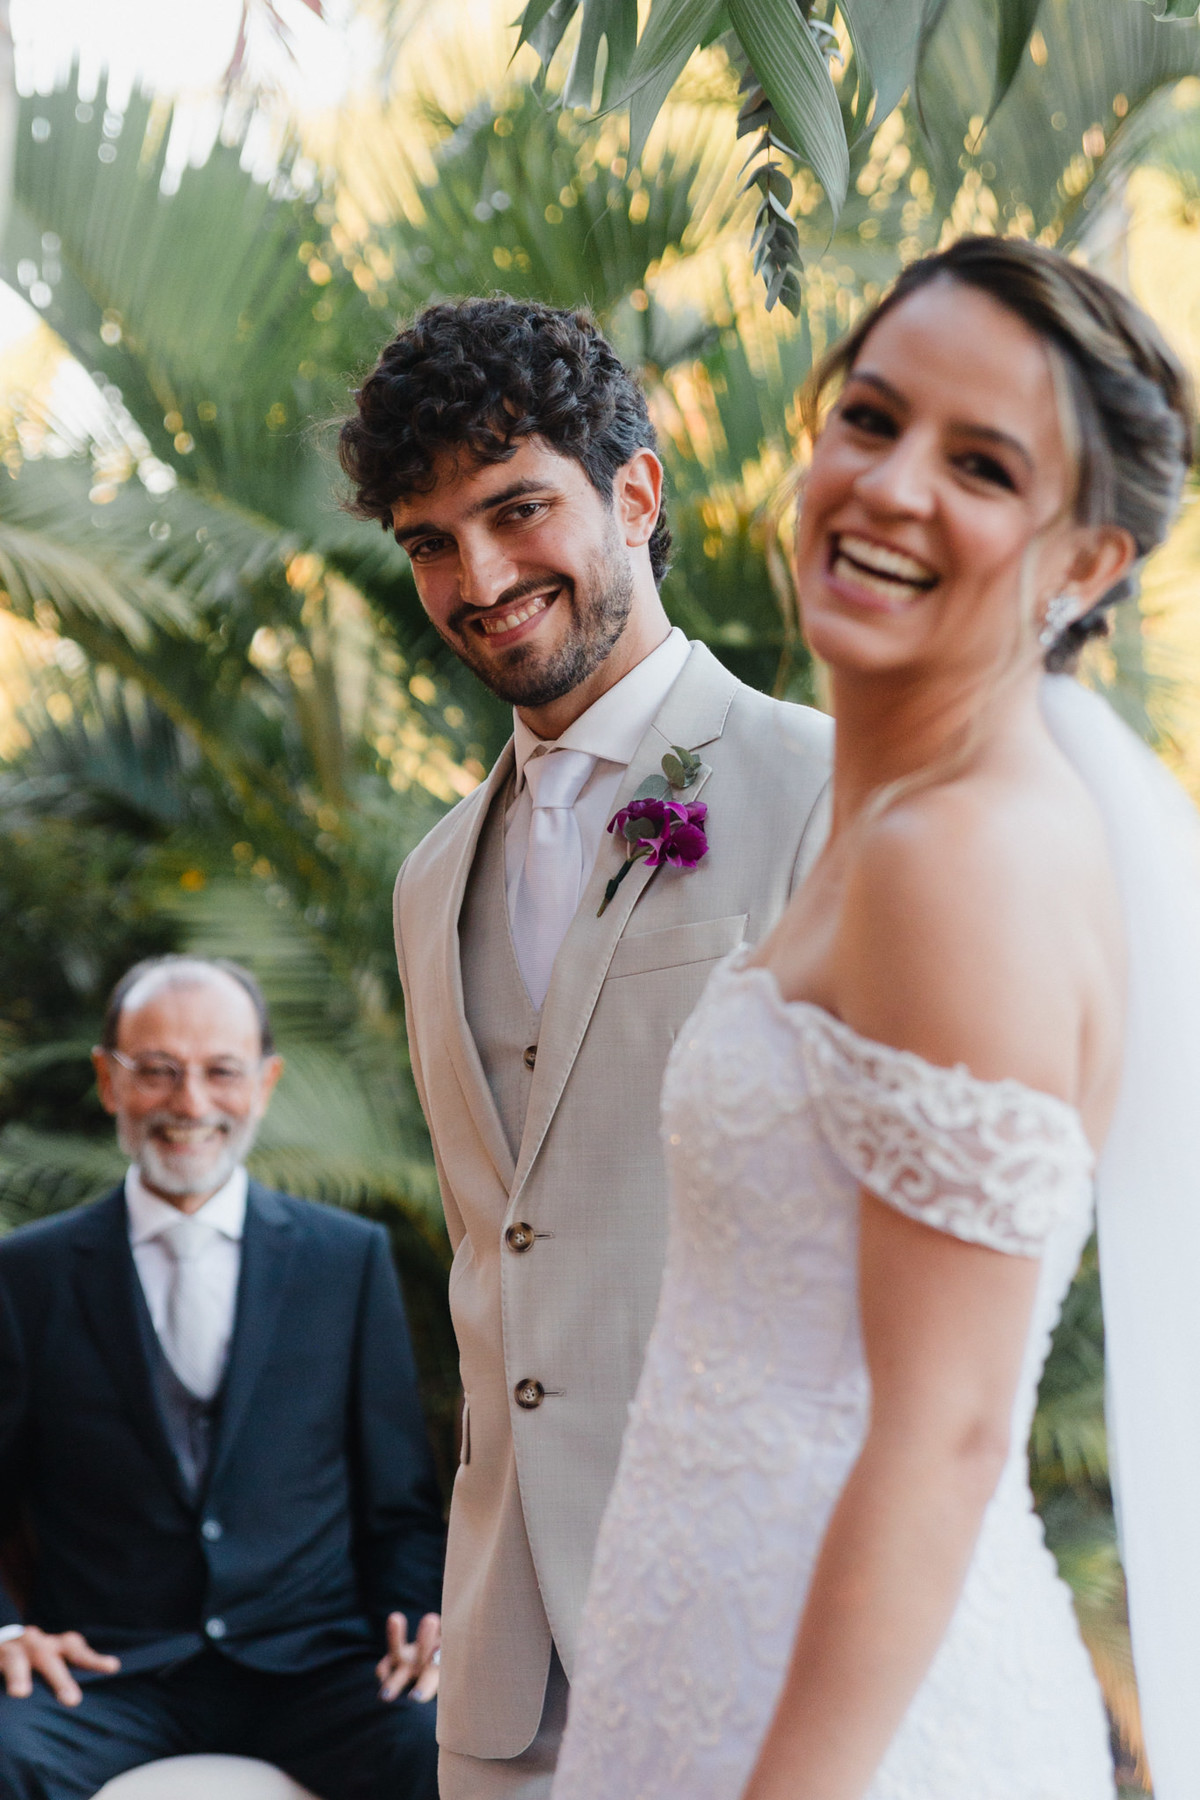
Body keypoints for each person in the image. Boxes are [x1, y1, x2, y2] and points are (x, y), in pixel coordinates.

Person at [551, 235, 1200, 1800]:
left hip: (849, 1732)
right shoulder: (896, 810)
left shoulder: (962, 860)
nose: (893, 486)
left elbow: (951, 1432)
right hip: (704, 1660)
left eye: (980, 464)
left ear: (1086, 562)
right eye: (872, 418)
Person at [337, 298, 833, 1798]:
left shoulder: (823, 791)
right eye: (429, 542)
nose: (478, 581)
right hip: (506, 1689)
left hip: (757, 1633)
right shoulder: (430, 878)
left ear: (635, 491)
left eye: (515, 510)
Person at [0, 956, 445, 1800]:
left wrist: (419, 1624)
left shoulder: (347, 1261)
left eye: (221, 1072)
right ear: (108, 1078)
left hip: (315, 1669)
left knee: (435, 1744)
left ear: (266, 1082)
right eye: (158, 1071)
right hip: (105, 1674)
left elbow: (401, 1506)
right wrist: (6, 1630)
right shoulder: (27, 1275)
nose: (191, 1104)